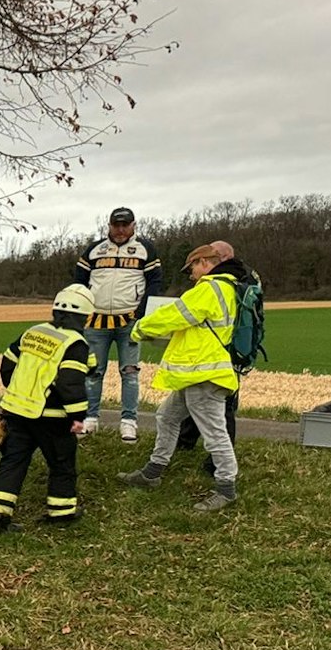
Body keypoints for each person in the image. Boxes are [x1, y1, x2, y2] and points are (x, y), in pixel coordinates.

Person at [119, 242, 250, 511]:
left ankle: (226, 489)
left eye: (191, 267)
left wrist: (140, 327)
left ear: (203, 262)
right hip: (196, 372)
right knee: (167, 416)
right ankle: (153, 471)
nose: (190, 274)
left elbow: (177, 314)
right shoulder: (227, 287)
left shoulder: (210, 288)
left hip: (203, 372)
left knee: (214, 432)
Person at [0, 285, 94, 532]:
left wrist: (18, 392)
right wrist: (78, 416)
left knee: (13, 461)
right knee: (62, 463)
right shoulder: (76, 343)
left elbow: (8, 364)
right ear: (85, 316)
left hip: (17, 414)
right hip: (53, 418)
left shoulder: (33, 331)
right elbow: (70, 383)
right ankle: (62, 512)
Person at [71, 207, 162, 440]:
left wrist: (142, 313)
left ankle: (129, 421)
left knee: (129, 372)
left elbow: (154, 283)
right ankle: (90, 419)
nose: (120, 230)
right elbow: (79, 282)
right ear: (109, 225)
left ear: (133, 226)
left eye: (125, 225)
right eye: (116, 225)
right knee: (93, 371)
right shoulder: (94, 249)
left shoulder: (145, 249)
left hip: (128, 321)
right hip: (96, 321)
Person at [174, 240, 254, 474]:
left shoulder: (224, 281)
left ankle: (219, 466)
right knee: (198, 399)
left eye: (214, 255)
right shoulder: (246, 276)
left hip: (223, 350)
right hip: (235, 348)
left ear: (223, 256)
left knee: (222, 408)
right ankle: (186, 442)